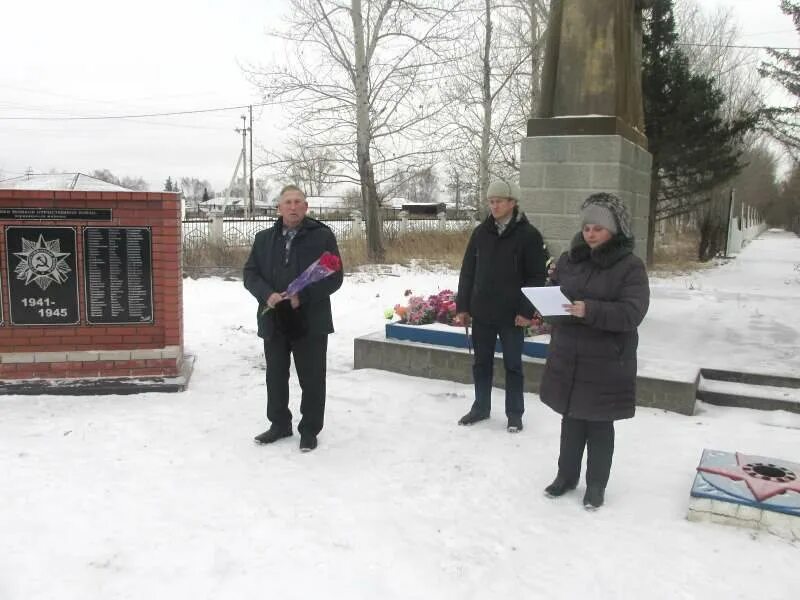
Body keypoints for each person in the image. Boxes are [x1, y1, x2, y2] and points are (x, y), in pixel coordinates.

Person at [538, 193, 650, 509]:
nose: (590, 234)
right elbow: (557, 297)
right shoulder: (570, 260)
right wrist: (547, 304)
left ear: (614, 231)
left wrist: (590, 311)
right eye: (587, 227)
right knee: (571, 420)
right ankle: (565, 477)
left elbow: (632, 313)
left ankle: (596, 486)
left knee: (599, 426)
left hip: (606, 361)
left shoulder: (630, 267)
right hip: (569, 356)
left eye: (598, 228)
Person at [243, 185, 343, 452]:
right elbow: (250, 275)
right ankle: (279, 424)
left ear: (306, 207)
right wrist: (268, 295)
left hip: (311, 318)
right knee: (275, 375)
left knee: (312, 376)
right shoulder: (264, 238)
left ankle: (309, 429)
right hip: (274, 316)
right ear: (279, 207)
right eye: (288, 202)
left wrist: (304, 296)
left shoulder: (322, 236)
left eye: (298, 201)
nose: (293, 206)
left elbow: (334, 276)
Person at [455, 179, 548, 433]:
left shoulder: (528, 235)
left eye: (498, 201)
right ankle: (480, 407)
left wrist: (526, 311)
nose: (494, 206)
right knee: (481, 363)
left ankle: (514, 414)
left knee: (513, 366)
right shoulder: (481, 233)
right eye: (491, 201)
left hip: (512, 316)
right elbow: (468, 272)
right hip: (482, 312)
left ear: (512, 203)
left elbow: (536, 277)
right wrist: (462, 307)